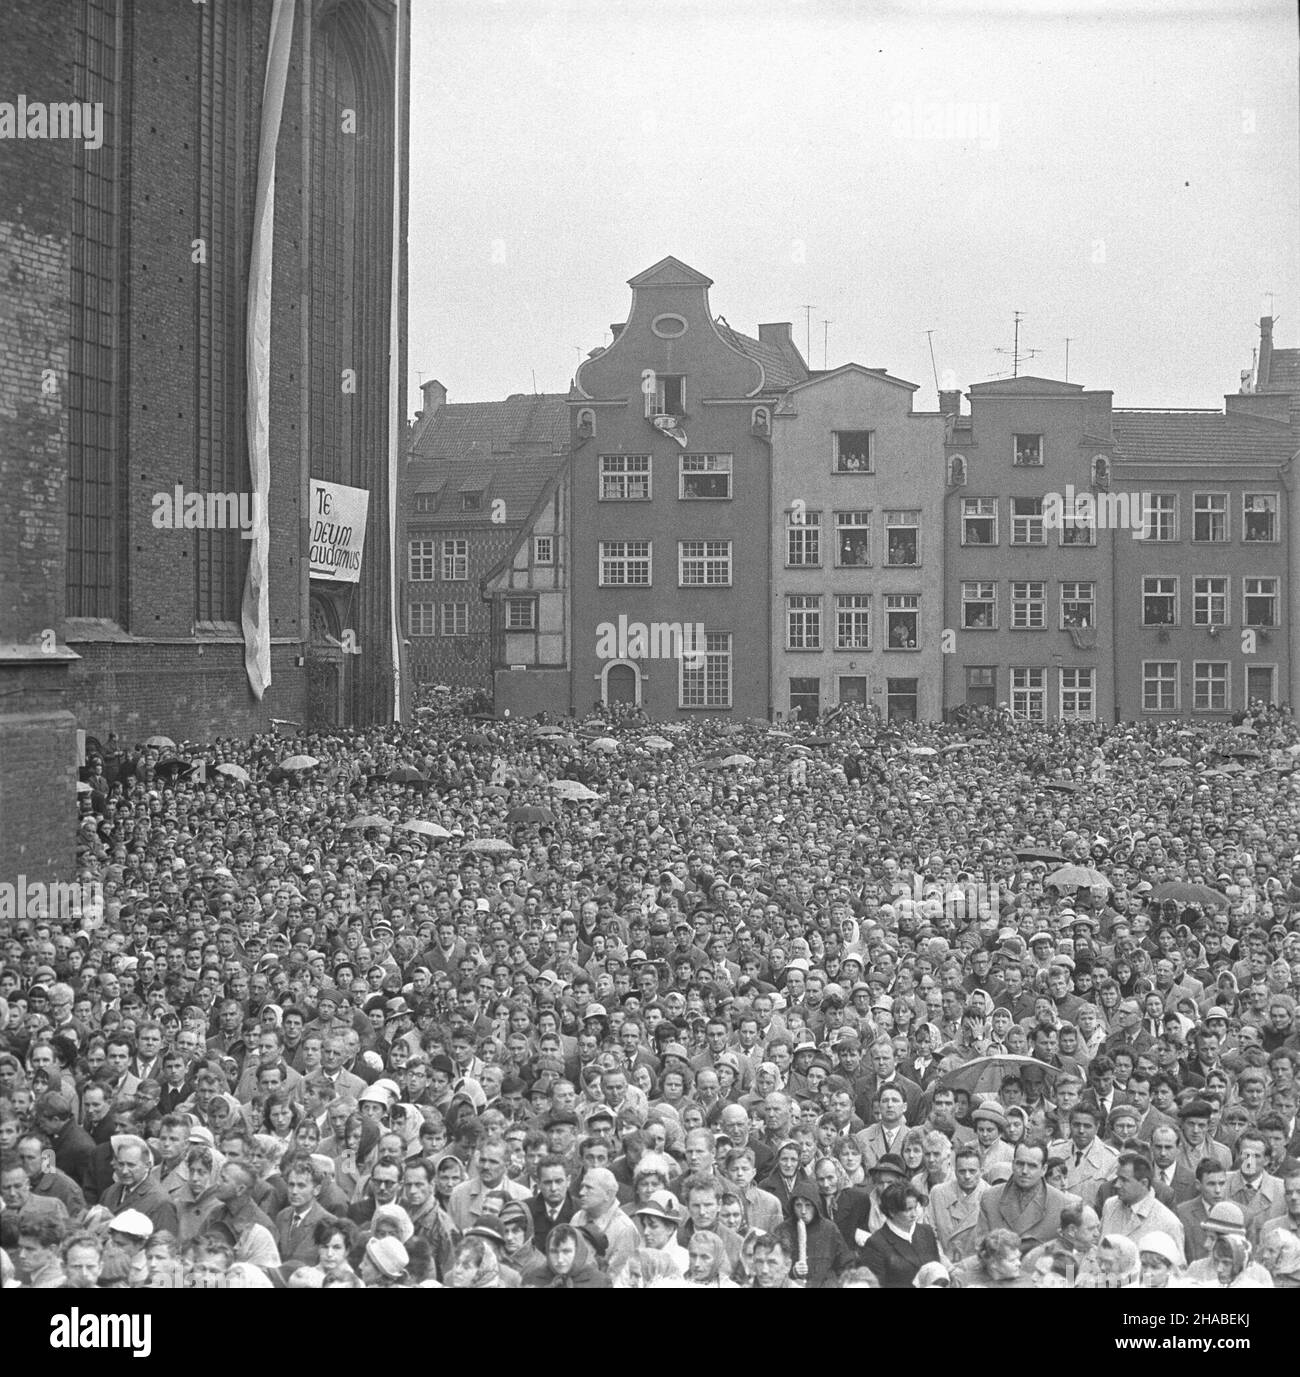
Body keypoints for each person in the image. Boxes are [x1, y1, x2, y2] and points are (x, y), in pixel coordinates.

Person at [977, 1142, 1076, 1248]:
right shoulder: (990, 1198)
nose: (1024, 1171)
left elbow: (1070, 1257)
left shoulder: (1063, 1205)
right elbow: (980, 1248)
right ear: (1012, 1164)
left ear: (1044, 1169)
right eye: (1020, 1164)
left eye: (1032, 1166)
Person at [859, 1180, 942, 1289]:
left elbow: (937, 1273)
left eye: (915, 1207)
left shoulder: (926, 1232)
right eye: (908, 1210)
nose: (914, 1214)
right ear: (892, 1211)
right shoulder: (876, 1244)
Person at [521, 1222, 610, 1288]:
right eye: (554, 1252)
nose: (560, 1259)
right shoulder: (533, 1277)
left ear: (578, 1252)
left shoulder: (599, 1281)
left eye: (566, 1252)